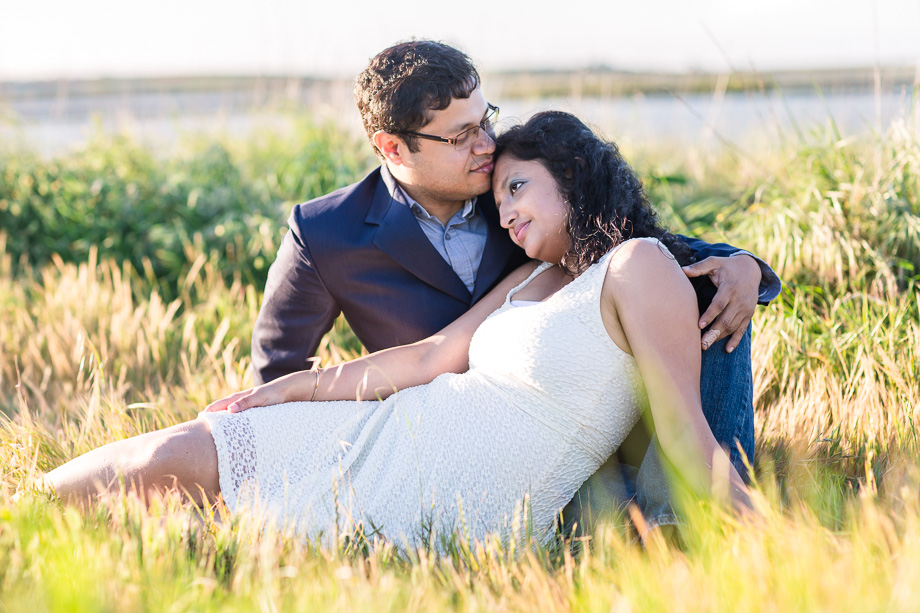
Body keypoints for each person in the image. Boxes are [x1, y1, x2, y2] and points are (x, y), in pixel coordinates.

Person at [40, 111, 751, 547]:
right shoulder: (534, 275)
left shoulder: (638, 267)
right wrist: (298, 387)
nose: (503, 214)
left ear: (570, 174)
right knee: (182, 450)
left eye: (516, 187)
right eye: (499, 195)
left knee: (194, 485)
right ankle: (23, 513)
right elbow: (433, 355)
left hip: (456, 497)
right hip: (392, 431)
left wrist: (781, 537)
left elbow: (688, 435)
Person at [250, 40, 780, 531]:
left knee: (710, 296)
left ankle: (707, 512)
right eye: (461, 136)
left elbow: (627, 239)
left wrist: (741, 263)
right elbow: (282, 366)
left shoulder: (507, 182)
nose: (485, 144)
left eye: (485, 121)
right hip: (442, 448)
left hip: (584, 428)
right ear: (393, 147)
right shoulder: (326, 233)